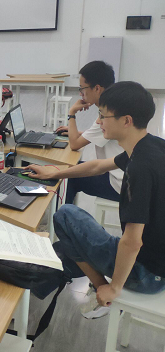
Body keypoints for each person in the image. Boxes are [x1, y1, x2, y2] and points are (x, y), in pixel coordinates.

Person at [28, 82, 165, 319]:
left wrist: (115, 287)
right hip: (157, 261)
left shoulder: (139, 168)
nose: (99, 121)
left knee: (65, 215)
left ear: (126, 121)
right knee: (67, 243)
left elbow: (132, 242)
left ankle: (102, 290)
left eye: (103, 116)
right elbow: (98, 166)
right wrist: (56, 173)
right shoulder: (152, 145)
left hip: (146, 273)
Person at [56, 61, 123, 204]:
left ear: (97, 88)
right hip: (123, 174)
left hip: (118, 183)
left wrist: (72, 113)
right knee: (74, 169)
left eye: (82, 88)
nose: (81, 93)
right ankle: (65, 212)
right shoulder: (115, 104)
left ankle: (62, 214)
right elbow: (102, 135)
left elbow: (75, 144)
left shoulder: (108, 113)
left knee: (70, 177)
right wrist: (80, 132)